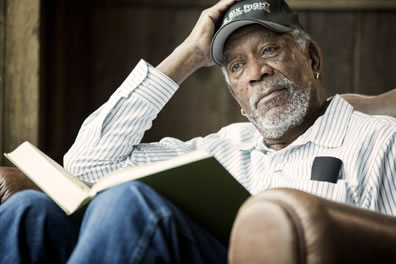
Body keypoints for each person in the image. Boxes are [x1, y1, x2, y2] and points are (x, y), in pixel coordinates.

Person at [1, 0, 396, 263]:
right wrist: (189, 54)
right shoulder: (223, 148)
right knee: (27, 212)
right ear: (235, 94)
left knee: (130, 204)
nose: (256, 72)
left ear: (311, 58)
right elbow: (87, 162)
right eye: (237, 66)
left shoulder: (378, 142)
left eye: (270, 50)